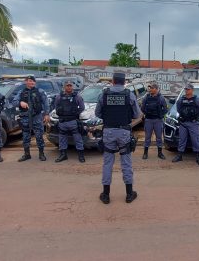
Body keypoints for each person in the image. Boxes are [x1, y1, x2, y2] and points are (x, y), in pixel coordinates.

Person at [95, 72, 141, 204]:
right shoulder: (129, 94)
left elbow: (97, 113)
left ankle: (106, 195)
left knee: (107, 163)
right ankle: (129, 194)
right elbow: (137, 114)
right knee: (126, 162)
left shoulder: (104, 94)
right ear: (124, 81)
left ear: (113, 81)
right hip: (124, 131)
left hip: (108, 131)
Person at [12, 75, 50, 162]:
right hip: (25, 118)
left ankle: (41, 154)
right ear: (26, 82)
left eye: (33, 81)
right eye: (29, 81)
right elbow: (14, 102)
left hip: (37, 117)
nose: (32, 82)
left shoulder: (40, 91)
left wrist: (46, 114)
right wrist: (20, 102)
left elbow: (45, 103)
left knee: (39, 136)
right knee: (25, 137)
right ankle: (27, 154)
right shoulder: (21, 92)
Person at [172, 83, 199, 166]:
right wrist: (185, 115)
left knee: (195, 140)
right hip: (183, 123)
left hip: (193, 123)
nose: (187, 90)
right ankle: (179, 155)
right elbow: (179, 109)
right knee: (182, 139)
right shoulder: (181, 100)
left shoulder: (197, 100)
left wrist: (193, 115)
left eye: (188, 89)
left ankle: (198, 157)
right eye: (186, 89)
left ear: (192, 90)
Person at [54, 81, 86, 163]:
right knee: (62, 139)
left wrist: (75, 113)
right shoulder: (59, 96)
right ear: (64, 87)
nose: (69, 87)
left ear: (72, 87)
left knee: (78, 138)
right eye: (67, 86)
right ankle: (63, 155)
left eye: (70, 86)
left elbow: (82, 107)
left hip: (73, 121)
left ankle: (81, 155)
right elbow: (56, 106)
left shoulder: (77, 96)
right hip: (62, 121)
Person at [141, 82, 168, 160]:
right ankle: (145, 153)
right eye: (150, 88)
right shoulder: (146, 97)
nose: (150, 89)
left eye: (152, 88)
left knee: (159, 137)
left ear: (156, 89)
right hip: (148, 120)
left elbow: (165, 109)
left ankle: (160, 153)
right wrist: (147, 113)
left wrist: (160, 115)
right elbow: (142, 108)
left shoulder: (161, 98)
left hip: (158, 120)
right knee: (147, 137)